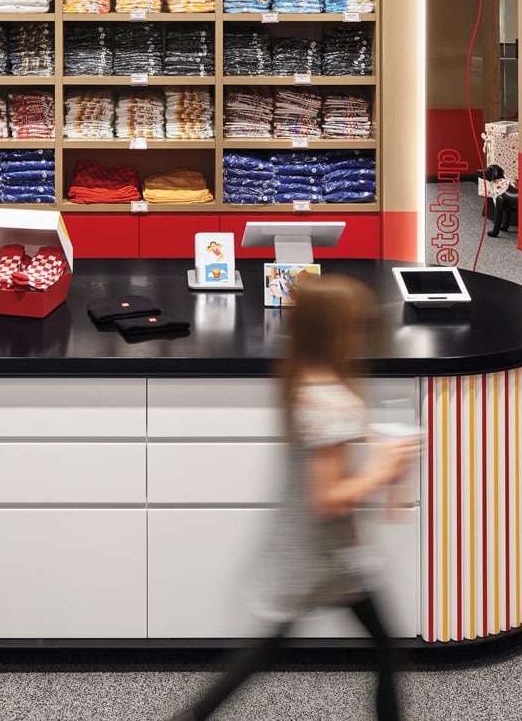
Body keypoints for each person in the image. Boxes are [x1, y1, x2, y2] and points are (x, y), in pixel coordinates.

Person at [168, 272, 416, 721]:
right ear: (339, 332)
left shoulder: (305, 380)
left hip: (320, 550)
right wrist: (383, 467)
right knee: (371, 649)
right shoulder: (333, 401)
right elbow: (329, 498)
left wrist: (369, 444)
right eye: (358, 327)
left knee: (356, 647)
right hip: (320, 555)